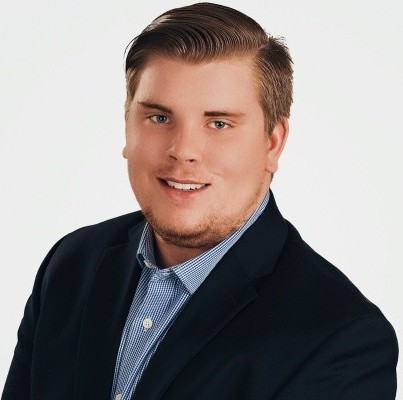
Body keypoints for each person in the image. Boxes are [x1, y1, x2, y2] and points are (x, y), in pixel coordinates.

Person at [2, 3, 398, 400]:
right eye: (159, 118)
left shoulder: (341, 340)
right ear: (127, 126)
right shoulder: (72, 265)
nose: (183, 150)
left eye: (219, 123)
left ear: (272, 143)